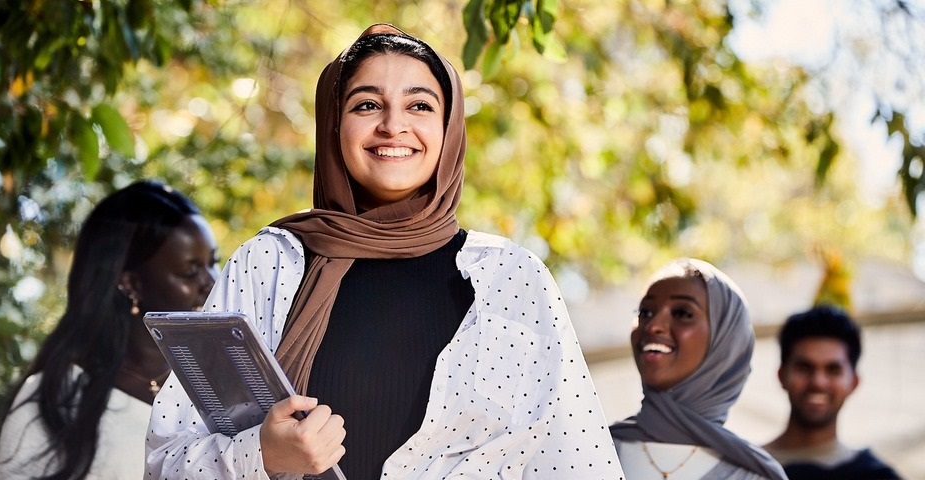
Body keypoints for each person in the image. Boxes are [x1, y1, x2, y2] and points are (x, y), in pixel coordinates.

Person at [145, 23, 625, 480]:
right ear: (334, 125)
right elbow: (165, 461)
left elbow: (578, 461)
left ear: (449, 128)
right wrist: (261, 456)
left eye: (419, 106)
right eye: (366, 105)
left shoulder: (512, 277)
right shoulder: (270, 263)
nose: (393, 126)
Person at [0, 180, 218, 480]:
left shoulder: (224, 385)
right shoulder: (55, 401)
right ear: (130, 283)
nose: (213, 283)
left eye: (213, 262)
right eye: (190, 271)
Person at [610, 258, 788, 479]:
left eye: (682, 313)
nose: (653, 325)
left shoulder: (755, 475)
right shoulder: (590, 451)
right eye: (645, 312)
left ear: (724, 342)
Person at [763, 305, 902, 479]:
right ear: (782, 375)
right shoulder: (741, 468)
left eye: (833, 370)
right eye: (804, 367)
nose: (818, 382)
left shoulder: (876, 476)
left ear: (854, 382)